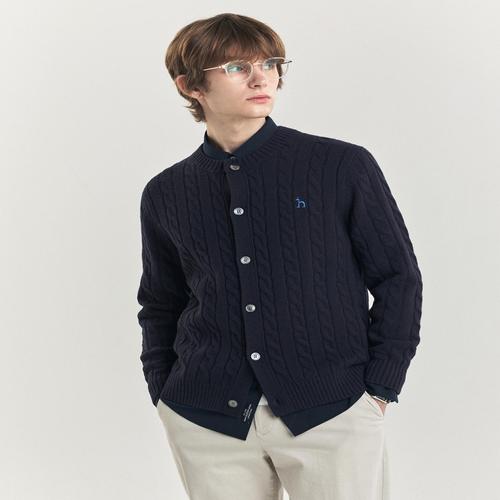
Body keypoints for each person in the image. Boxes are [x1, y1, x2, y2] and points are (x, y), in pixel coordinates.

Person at [136, 12, 423, 500]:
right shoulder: (166, 192)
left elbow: (398, 278)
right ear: (190, 86)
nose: (261, 78)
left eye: (270, 63)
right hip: (206, 418)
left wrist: (380, 387)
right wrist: (163, 391)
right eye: (236, 68)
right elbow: (161, 302)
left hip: (333, 409)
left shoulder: (339, 166)